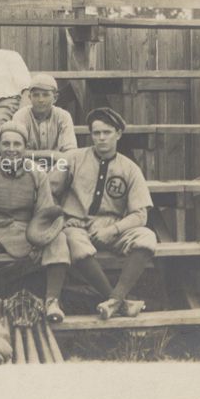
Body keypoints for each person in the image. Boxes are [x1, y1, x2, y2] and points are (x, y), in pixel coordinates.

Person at [0, 121, 72, 323]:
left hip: (26, 233)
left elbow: (44, 213)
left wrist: (40, 238)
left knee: (59, 238)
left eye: (17, 144)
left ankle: (52, 301)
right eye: (6, 144)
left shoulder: (37, 173)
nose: (11, 149)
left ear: (25, 147)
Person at [51, 107, 157, 320]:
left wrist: (113, 229)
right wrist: (61, 218)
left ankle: (115, 300)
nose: (101, 138)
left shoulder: (130, 168)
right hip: (76, 225)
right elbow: (48, 193)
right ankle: (118, 302)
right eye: (96, 133)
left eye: (107, 132)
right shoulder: (71, 158)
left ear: (118, 134)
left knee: (147, 236)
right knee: (72, 240)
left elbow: (140, 214)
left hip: (111, 225)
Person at [11, 72, 77, 166]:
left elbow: (70, 151)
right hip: (27, 167)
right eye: (36, 95)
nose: (40, 100)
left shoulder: (63, 116)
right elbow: (15, 151)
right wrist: (51, 154)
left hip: (56, 167)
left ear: (55, 98)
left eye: (45, 95)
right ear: (30, 97)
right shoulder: (21, 116)